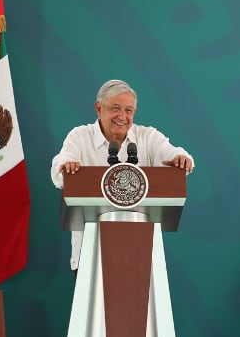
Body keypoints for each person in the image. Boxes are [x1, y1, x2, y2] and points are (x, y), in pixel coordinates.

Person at [50, 79, 194, 271]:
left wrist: (182, 159)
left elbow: (176, 154)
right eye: (115, 108)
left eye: (129, 110)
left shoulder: (147, 136)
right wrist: (66, 165)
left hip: (139, 252)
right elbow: (59, 169)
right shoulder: (79, 136)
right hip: (90, 253)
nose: (122, 116)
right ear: (98, 108)